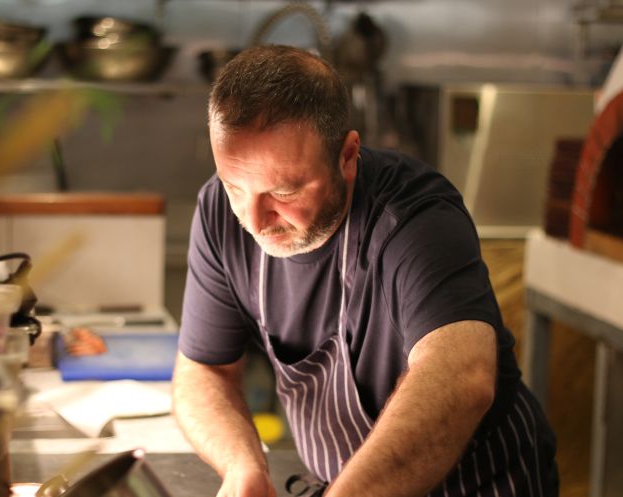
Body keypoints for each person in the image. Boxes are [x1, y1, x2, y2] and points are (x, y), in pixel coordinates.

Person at [172, 45, 558, 497]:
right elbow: (204, 371)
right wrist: (242, 469)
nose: (254, 220)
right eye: (235, 186)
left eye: (285, 191)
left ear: (348, 155)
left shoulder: (416, 217)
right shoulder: (220, 211)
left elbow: (462, 376)